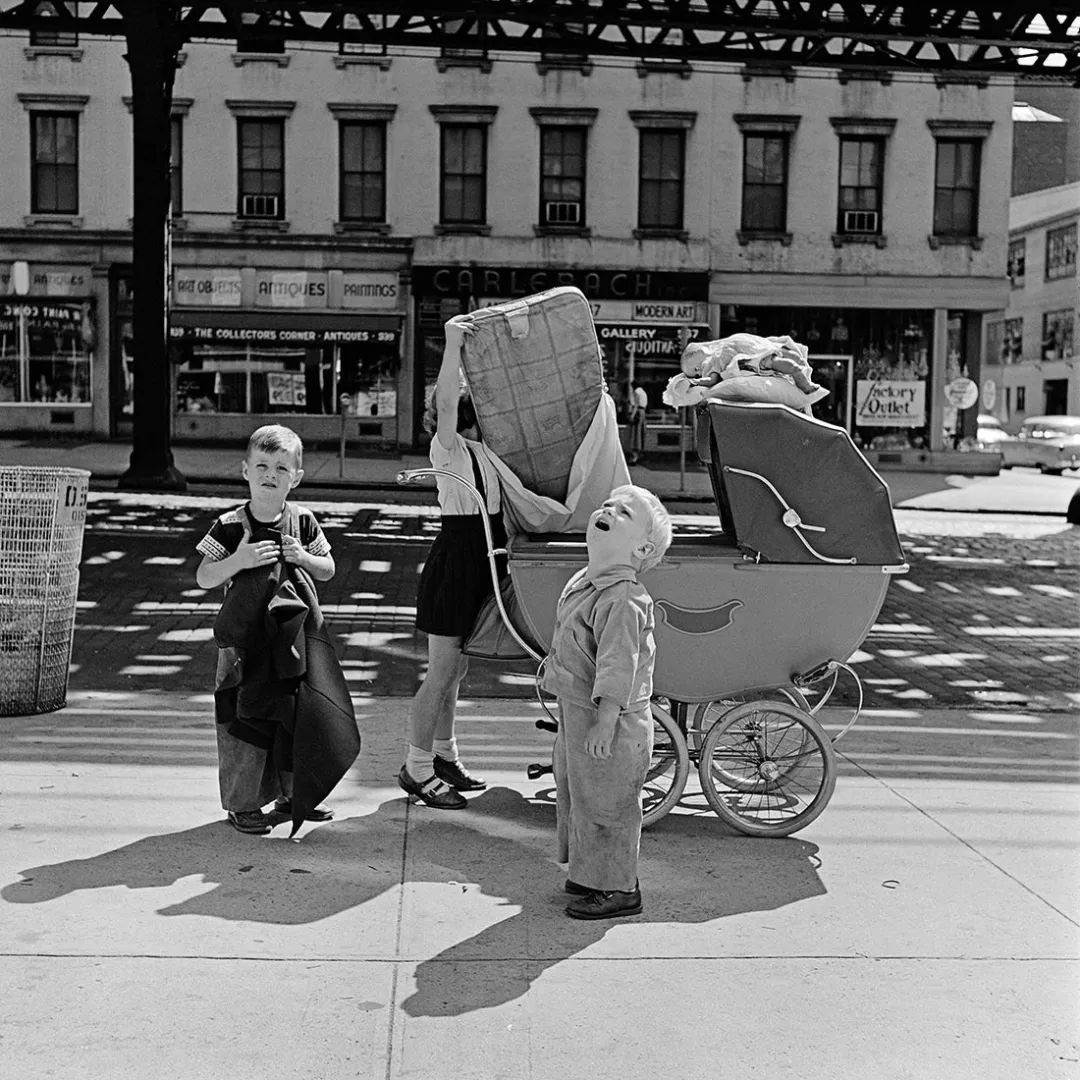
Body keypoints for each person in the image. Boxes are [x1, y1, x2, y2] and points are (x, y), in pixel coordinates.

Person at [195, 424, 338, 835]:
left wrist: (305, 558)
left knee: (294, 719)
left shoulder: (304, 521)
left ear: (296, 477)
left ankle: (295, 795)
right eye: (261, 465)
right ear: (245, 471)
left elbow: (328, 569)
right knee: (242, 722)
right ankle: (243, 804)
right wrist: (238, 560)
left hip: (291, 644)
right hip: (241, 646)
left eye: (280, 467)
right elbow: (204, 576)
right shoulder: (229, 524)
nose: (269, 474)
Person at [542, 483, 673, 919]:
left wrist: (605, 720)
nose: (609, 510)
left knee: (609, 806)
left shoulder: (624, 599)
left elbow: (618, 666)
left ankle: (621, 887)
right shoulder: (590, 583)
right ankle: (592, 873)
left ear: (642, 548)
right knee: (580, 796)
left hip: (610, 723)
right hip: (582, 713)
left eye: (624, 512)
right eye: (608, 505)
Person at [399, 316, 505, 810]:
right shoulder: (450, 448)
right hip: (458, 559)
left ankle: (444, 755)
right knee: (441, 671)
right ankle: (417, 768)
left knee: (457, 670)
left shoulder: (486, 451)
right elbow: (445, 401)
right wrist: (453, 344)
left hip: (481, 559)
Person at [627, 383, 648, 464]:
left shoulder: (636, 392)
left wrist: (632, 415)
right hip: (643, 412)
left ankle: (634, 456)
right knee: (641, 433)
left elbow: (636, 405)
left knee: (636, 434)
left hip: (638, 412)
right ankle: (639, 454)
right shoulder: (643, 392)